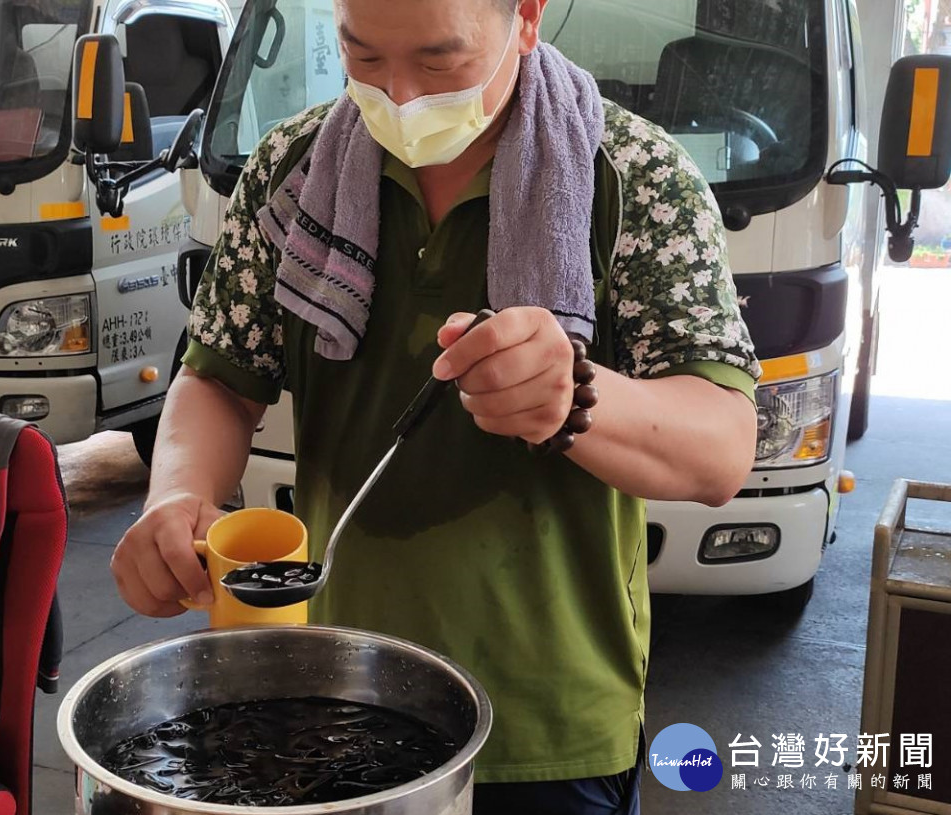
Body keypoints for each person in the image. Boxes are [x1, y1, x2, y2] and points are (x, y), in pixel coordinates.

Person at [112, 0, 761, 812]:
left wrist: (573, 397)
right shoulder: (295, 172)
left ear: (526, 17)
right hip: (330, 688)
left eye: (439, 61)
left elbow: (724, 448)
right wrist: (177, 494)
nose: (403, 98)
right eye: (365, 58)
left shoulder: (635, 180)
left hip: (544, 726)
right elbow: (218, 378)